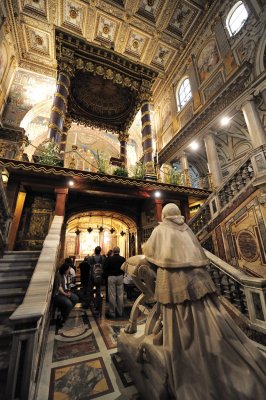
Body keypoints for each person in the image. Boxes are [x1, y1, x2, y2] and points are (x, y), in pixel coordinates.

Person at [142, 203, 266, 400]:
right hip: (198, 278)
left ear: (164, 214)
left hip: (175, 279)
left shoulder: (161, 229)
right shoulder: (186, 228)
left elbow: (149, 252)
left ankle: (185, 346)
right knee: (205, 313)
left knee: (180, 315)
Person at [53, 263, 79, 327]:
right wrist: (65, 294)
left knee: (75, 298)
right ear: (64, 270)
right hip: (58, 294)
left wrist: (68, 291)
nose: (68, 271)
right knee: (69, 304)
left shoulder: (64, 275)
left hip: (64, 292)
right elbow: (59, 287)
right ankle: (63, 318)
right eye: (68, 270)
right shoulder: (58, 275)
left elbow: (65, 285)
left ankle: (64, 312)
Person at [104, 246, 125, 318]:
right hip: (120, 276)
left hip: (111, 277)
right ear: (119, 251)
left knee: (112, 295)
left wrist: (106, 276)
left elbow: (105, 268)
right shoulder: (122, 259)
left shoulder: (109, 259)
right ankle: (120, 312)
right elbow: (124, 268)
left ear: (113, 251)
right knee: (120, 295)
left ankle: (112, 312)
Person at [88, 246, 105, 314]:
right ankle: (97, 305)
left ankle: (91, 303)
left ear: (95, 251)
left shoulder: (91, 258)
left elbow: (88, 266)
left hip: (92, 276)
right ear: (100, 251)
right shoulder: (103, 258)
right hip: (99, 276)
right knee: (98, 291)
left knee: (90, 290)